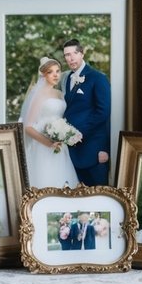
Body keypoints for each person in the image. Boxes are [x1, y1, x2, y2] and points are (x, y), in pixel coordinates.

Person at [19, 57, 80, 188]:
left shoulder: (60, 94)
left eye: (58, 71)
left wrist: (65, 133)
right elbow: (28, 127)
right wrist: (49, 143)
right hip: (43, 144)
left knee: (63, 180)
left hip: (59, 143)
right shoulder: (38, 95)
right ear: (43, 74)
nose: (55, 74)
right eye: (50, 72)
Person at [61, 39, 112, 185]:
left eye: (74, 53)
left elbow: (103, 112)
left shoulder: (98, 78)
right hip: (72, 152)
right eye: (66, 55)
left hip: (94, 151)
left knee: (97, 197)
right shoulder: (67, 78)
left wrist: (78, 133)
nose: (70, 58)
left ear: (82, 53)